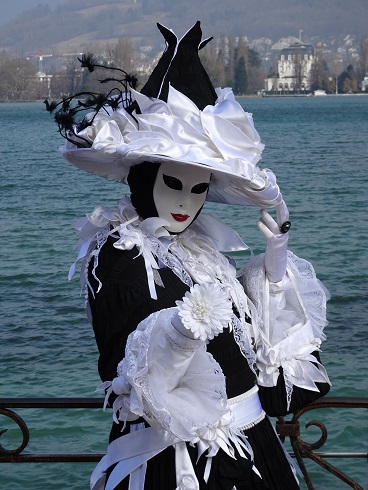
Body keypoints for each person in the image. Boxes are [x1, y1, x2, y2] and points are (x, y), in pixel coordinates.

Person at [49, 21, 330, 490]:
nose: (185, 203)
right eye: (173, 184)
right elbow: (133, 372)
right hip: (185, 461)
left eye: (198, 189)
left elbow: (256, 349)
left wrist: (275, 259)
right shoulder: (118, 253)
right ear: (144, 178)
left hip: (252, 446)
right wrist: (180, 332)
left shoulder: (200, 249)